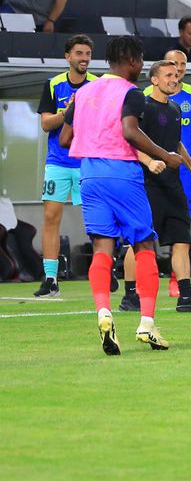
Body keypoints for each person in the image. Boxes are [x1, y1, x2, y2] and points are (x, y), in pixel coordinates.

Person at [59, 36, 182, 353]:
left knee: (102, 248)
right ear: (131, 59)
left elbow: (64, 137)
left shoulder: (84, 91)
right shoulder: (131, 93)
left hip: (90, 176)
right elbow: (130, 130)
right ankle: (147, 324)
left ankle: (103, 312)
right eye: (140, 60)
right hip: (122, 174)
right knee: (144, 246)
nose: (141, 67)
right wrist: (165, 156)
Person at [137, 60, 191, 313]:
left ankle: (186, 293)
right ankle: (130, 292)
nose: (175, 78)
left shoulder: (174, 108)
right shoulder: (142, 107)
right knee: (141, 241)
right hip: (148, 184)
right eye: (168, 75)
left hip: (173, 184)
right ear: (154, 80)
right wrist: (149, 162)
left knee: (182, 238)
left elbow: (177, 143)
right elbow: (130, 142)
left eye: (177, 75)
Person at [30, 35, 95, 298]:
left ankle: (105, 270)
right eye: (79, 53)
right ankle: (50, 279)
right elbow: (46, 124)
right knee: (50, 218)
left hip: (87, 161)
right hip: (58, 161)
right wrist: (66, 113)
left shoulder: (97, 86)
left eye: (88, 54)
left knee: (95, 219)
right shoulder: (54, 84)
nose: (84, 58)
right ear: (67, 56)